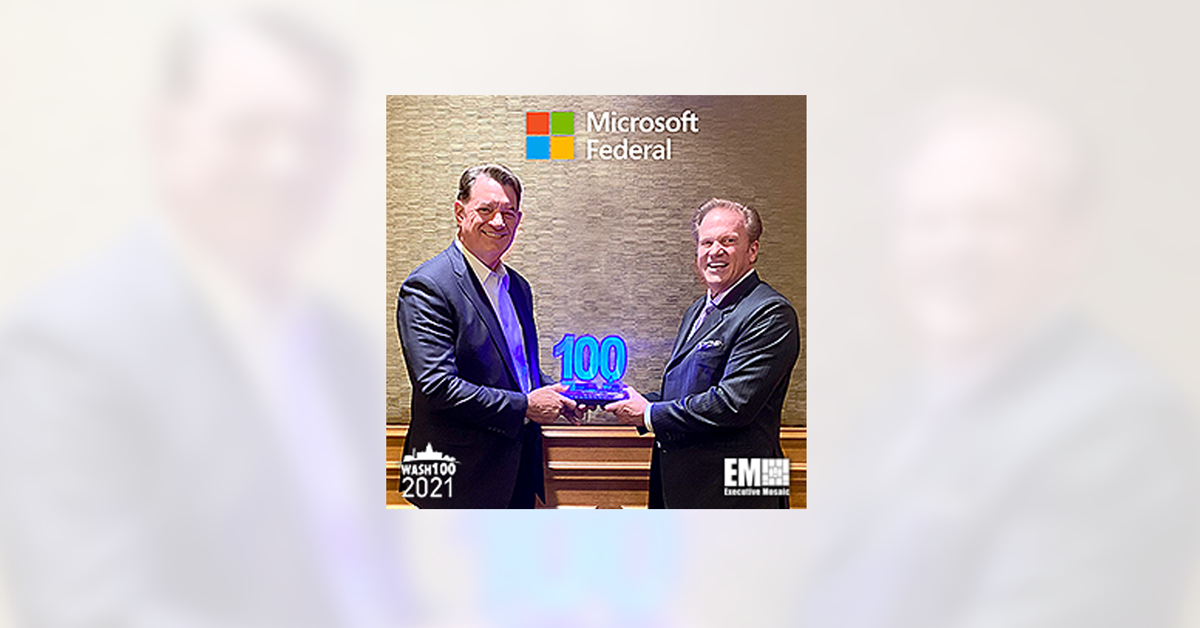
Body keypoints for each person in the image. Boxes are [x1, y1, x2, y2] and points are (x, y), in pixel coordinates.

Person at [396, 163, 580, 509]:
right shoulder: (428, 286)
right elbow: (438, 387)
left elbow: (516, 370)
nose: (498, 222)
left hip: (517, 468)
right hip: (455, 477)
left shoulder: (518, 287)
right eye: (486, 209)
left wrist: (563, 392)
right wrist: (527, 406)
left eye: (509, 213)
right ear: (459, 212)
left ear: (518, 220)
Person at [605, 198, 801, 508]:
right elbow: (687, 390)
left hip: (740, 493)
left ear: (752, 250)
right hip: (685, 485)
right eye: (706, 242)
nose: (714, 251)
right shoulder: (697, 310)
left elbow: (732, 404)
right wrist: (624, 398)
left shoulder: (771, 312)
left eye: (728, 241)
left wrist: (648, 414)